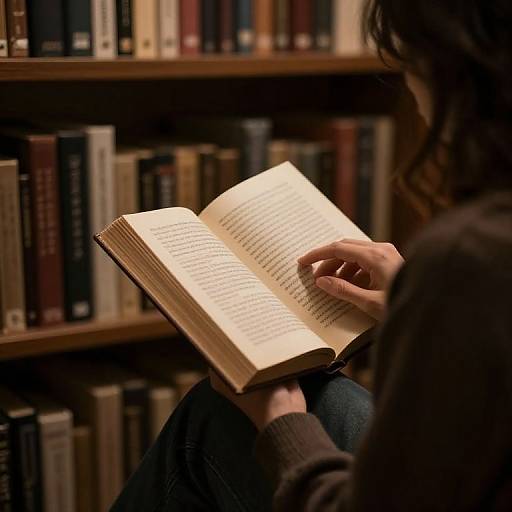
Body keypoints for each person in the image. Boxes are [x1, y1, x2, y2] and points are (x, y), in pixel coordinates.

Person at [111, 0, 512, 510]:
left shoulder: (471, 255)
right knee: (332, 401)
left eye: (407, 63)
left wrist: (279, 418)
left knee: (218, 415)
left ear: (452, 71)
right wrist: (433, 319)